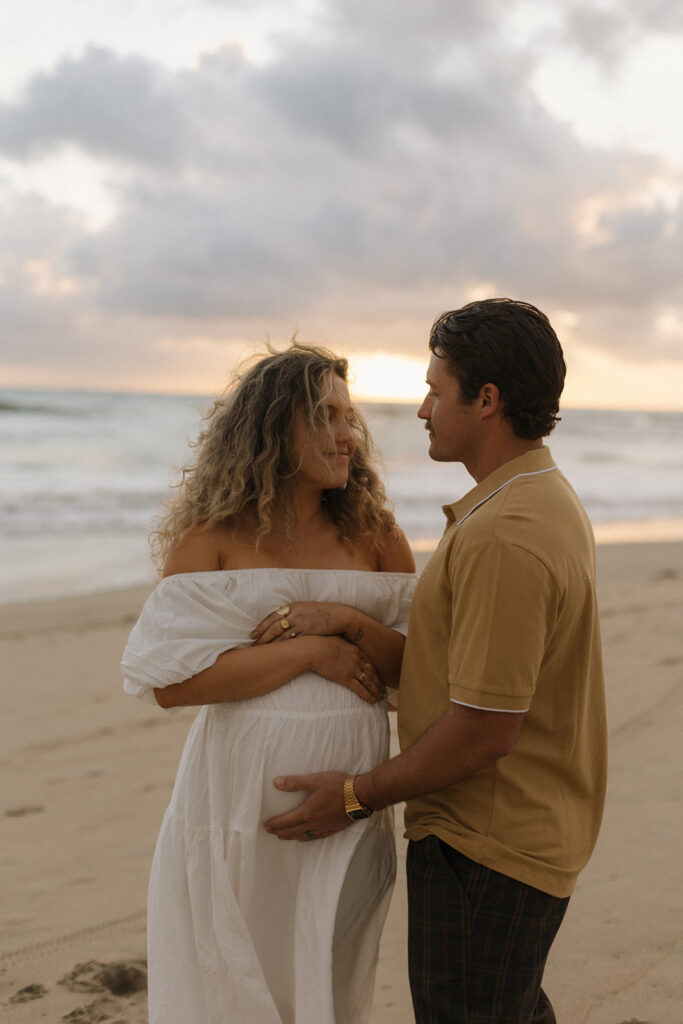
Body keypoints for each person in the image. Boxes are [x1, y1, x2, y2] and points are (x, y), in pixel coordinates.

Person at [266, 299, 608, 1024]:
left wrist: (355, 794)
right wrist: (352, 625)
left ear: (486, 400)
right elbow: (458, 672)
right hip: (514, 830)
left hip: (487, 842)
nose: (420, 409)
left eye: (433, 389)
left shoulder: (507, 534)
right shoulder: (531, 501)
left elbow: (484, 730)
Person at [120, 343, 416, 1024]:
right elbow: (173, 682)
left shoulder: (373, 531)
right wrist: (312, 651)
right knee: (233, 971)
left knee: (331, 967)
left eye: (349, 418)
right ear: (273, 427)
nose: (347, 436)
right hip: (234, 799)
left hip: (349, 800)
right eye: (325, 417)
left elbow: (414, 667)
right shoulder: (212, 534)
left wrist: (345, 622)